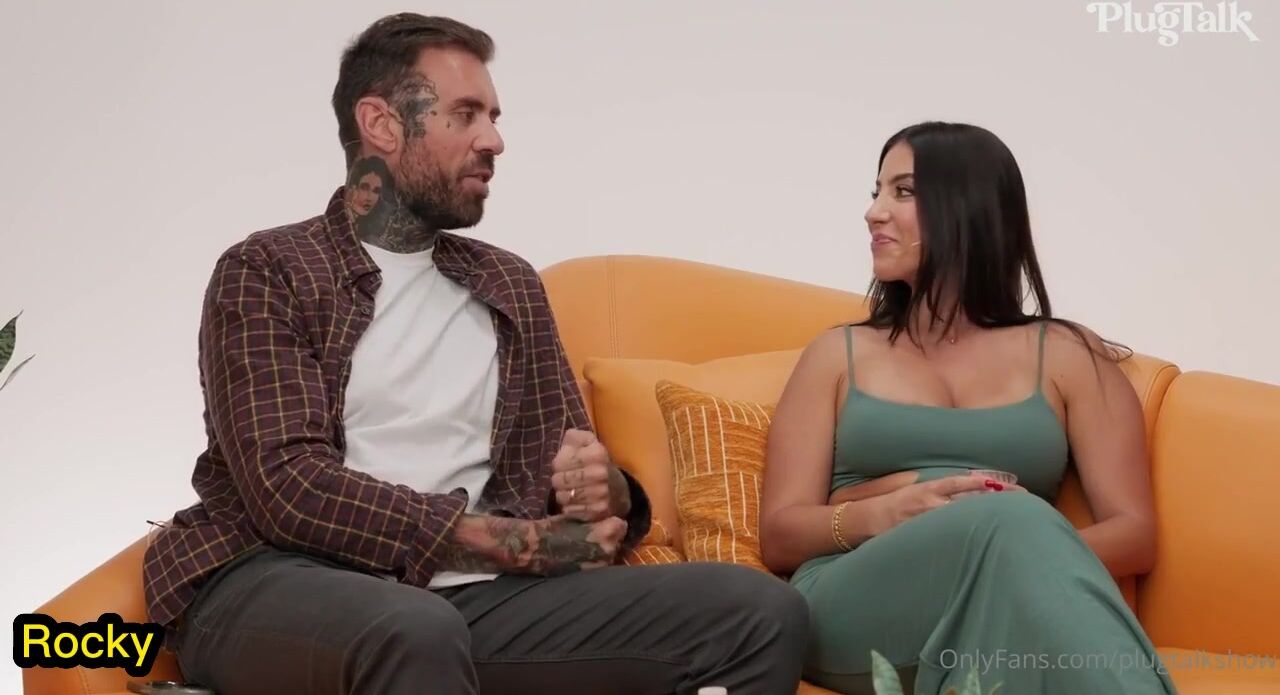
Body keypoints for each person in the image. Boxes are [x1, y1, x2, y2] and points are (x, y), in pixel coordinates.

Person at [143, 13, 808, 695]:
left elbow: (565, 472)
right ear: (381, 124)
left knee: (759, 613)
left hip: (474, 601)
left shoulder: (507, 284)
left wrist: (606, 491)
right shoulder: (269, 268)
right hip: (279, 580)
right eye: (465, 115)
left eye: (492, 116)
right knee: (415, 629)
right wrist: (505, 542)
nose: (493, 140)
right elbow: (288, 487)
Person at [759, 121, 1179, 694]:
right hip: (852, 599)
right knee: (1011, 519)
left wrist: (1012, 555)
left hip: (1006, 589)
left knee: (1012, 528)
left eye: (903, 192)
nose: (874, 212)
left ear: (968, 208)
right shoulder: (837, 355)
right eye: (877, 192)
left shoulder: (1067, 355)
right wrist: (884, 512)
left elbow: (1135, 535)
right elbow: (780, 534)